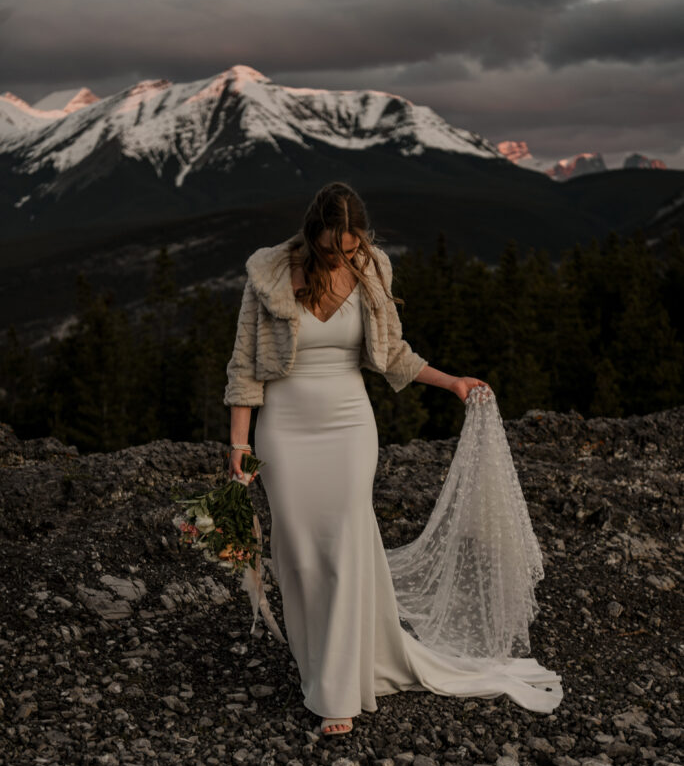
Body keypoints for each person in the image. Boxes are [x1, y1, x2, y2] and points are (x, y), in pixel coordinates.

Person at [225, 181, 563, 736]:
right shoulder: (268, 274)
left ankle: (337, 691)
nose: (346, 258)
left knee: (342, 546)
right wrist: (238, 446)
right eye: (336, 250)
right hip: (284, 430)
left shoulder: (372, 269)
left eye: (354, 247)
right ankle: (317, 666)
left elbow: (392, 354)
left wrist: (451, 381)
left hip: (350, 426)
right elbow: (243, 367)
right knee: (300, 557)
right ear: (314, 237)